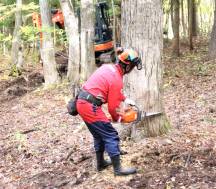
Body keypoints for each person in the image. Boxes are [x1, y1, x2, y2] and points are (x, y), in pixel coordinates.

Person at [76, 48, 142, 176]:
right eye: (133, 66)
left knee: (99, 135)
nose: (133, 69)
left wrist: (125, 98)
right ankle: (118, 169)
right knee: (111, 134)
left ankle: (100, 163)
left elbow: (108, 89)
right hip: (89, 106)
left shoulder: (108, 68)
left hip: (82, 102)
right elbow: (112, 108)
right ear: (128, 66)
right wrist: (120, 119)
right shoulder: (117, 79)